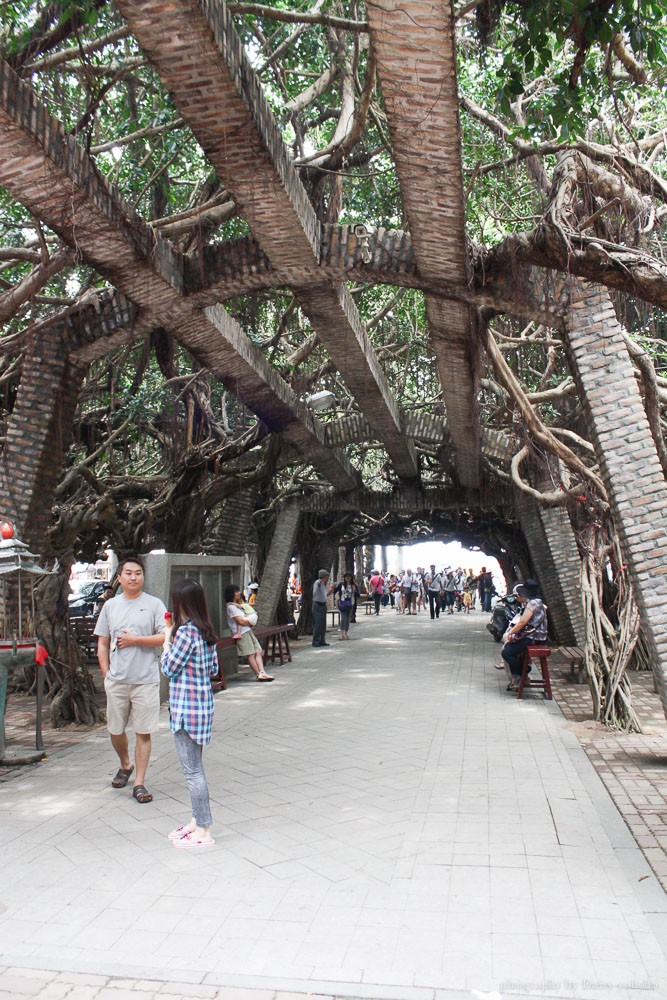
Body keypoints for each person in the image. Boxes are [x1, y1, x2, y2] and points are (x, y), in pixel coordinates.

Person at [94, 555, 167, 804]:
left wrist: (137, 640)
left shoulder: (155, 604)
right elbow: (102, 643)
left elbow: (165, 637)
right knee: (115, 730)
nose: (133, 577)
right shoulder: (110, 606)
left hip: (146, 679)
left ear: (143, 576)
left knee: (143, 732)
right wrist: (106, 675)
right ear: (119, 578)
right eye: (128, 573)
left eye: (138, 573)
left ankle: (140, 782)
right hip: (117, 680)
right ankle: (126, 763)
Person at [161, 578, 218, 849]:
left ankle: (204, 829)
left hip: (185, 710)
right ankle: (197, 820)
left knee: (193, 772)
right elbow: (213, 669)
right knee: (196, 768)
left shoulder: (185, 633)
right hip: (203, 707)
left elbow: (169, 668)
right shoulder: (206, 631)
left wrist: (165, 643)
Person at [501, 580, 548, 691]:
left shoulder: (532, 603)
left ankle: (520, 674)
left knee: (507, 652)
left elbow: (523, 622)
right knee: (513, 650)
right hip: (537, 635)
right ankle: (522, 671)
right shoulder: (538, 601)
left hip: (533, 637)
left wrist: (510, 632)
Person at [225, 584, 274, 680]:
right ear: (231, 594)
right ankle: (258, 674)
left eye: (238, 591)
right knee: (250, 654)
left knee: (258, 651)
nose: (238, 593)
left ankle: (262, 672)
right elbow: (240, 621)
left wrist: (250, 623)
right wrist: (250, 622)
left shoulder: (238, 605)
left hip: (247, 631)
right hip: (242, 633)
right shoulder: (230, 607)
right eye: (236, 592)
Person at [334, 572, 359, 640]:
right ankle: (342, 634)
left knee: (348, 619)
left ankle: (345, 633)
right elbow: (335, 591)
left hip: (351, 603)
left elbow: (358, 595)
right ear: (344, 578)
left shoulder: (354, 585)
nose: (347, 578)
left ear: (351, 578)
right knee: (343, 618)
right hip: (342, 603)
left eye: (349, 577)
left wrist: (355, 591)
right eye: (346, 577)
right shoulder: (341, 585)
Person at [312, 569, 333, 647]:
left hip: (323, 605)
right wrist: (320, 582)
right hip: (317, 605)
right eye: (327, 576)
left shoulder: (323, 585)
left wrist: (330, 591)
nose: (328, 578)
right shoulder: (318, 582)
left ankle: (322, 640)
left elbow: (324, 595)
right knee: (318, 623)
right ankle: (316, 641)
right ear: (324, 577)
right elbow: (318, 584)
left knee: (323, 624)